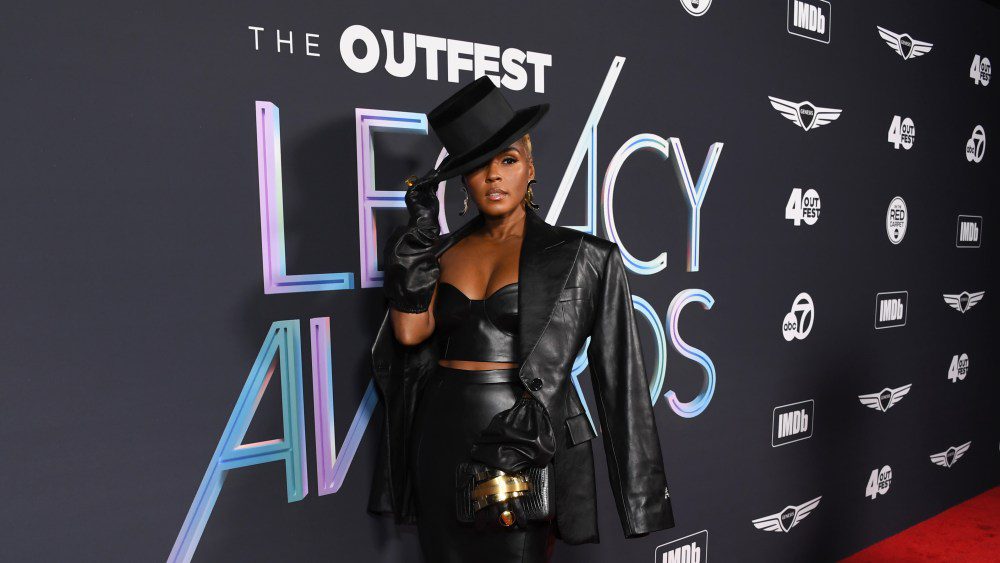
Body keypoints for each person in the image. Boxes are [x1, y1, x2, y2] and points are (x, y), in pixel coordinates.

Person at [368, 76, 675, 563]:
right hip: (442, 432)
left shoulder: (583, 256)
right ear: (462, 181)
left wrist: (641, 502)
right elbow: (410, 332)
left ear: (530, 168)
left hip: (525, 437)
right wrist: (418, 245)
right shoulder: (443, 252)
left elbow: (622, 383)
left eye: (507, 161)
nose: (493, 177)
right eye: (476, 167)